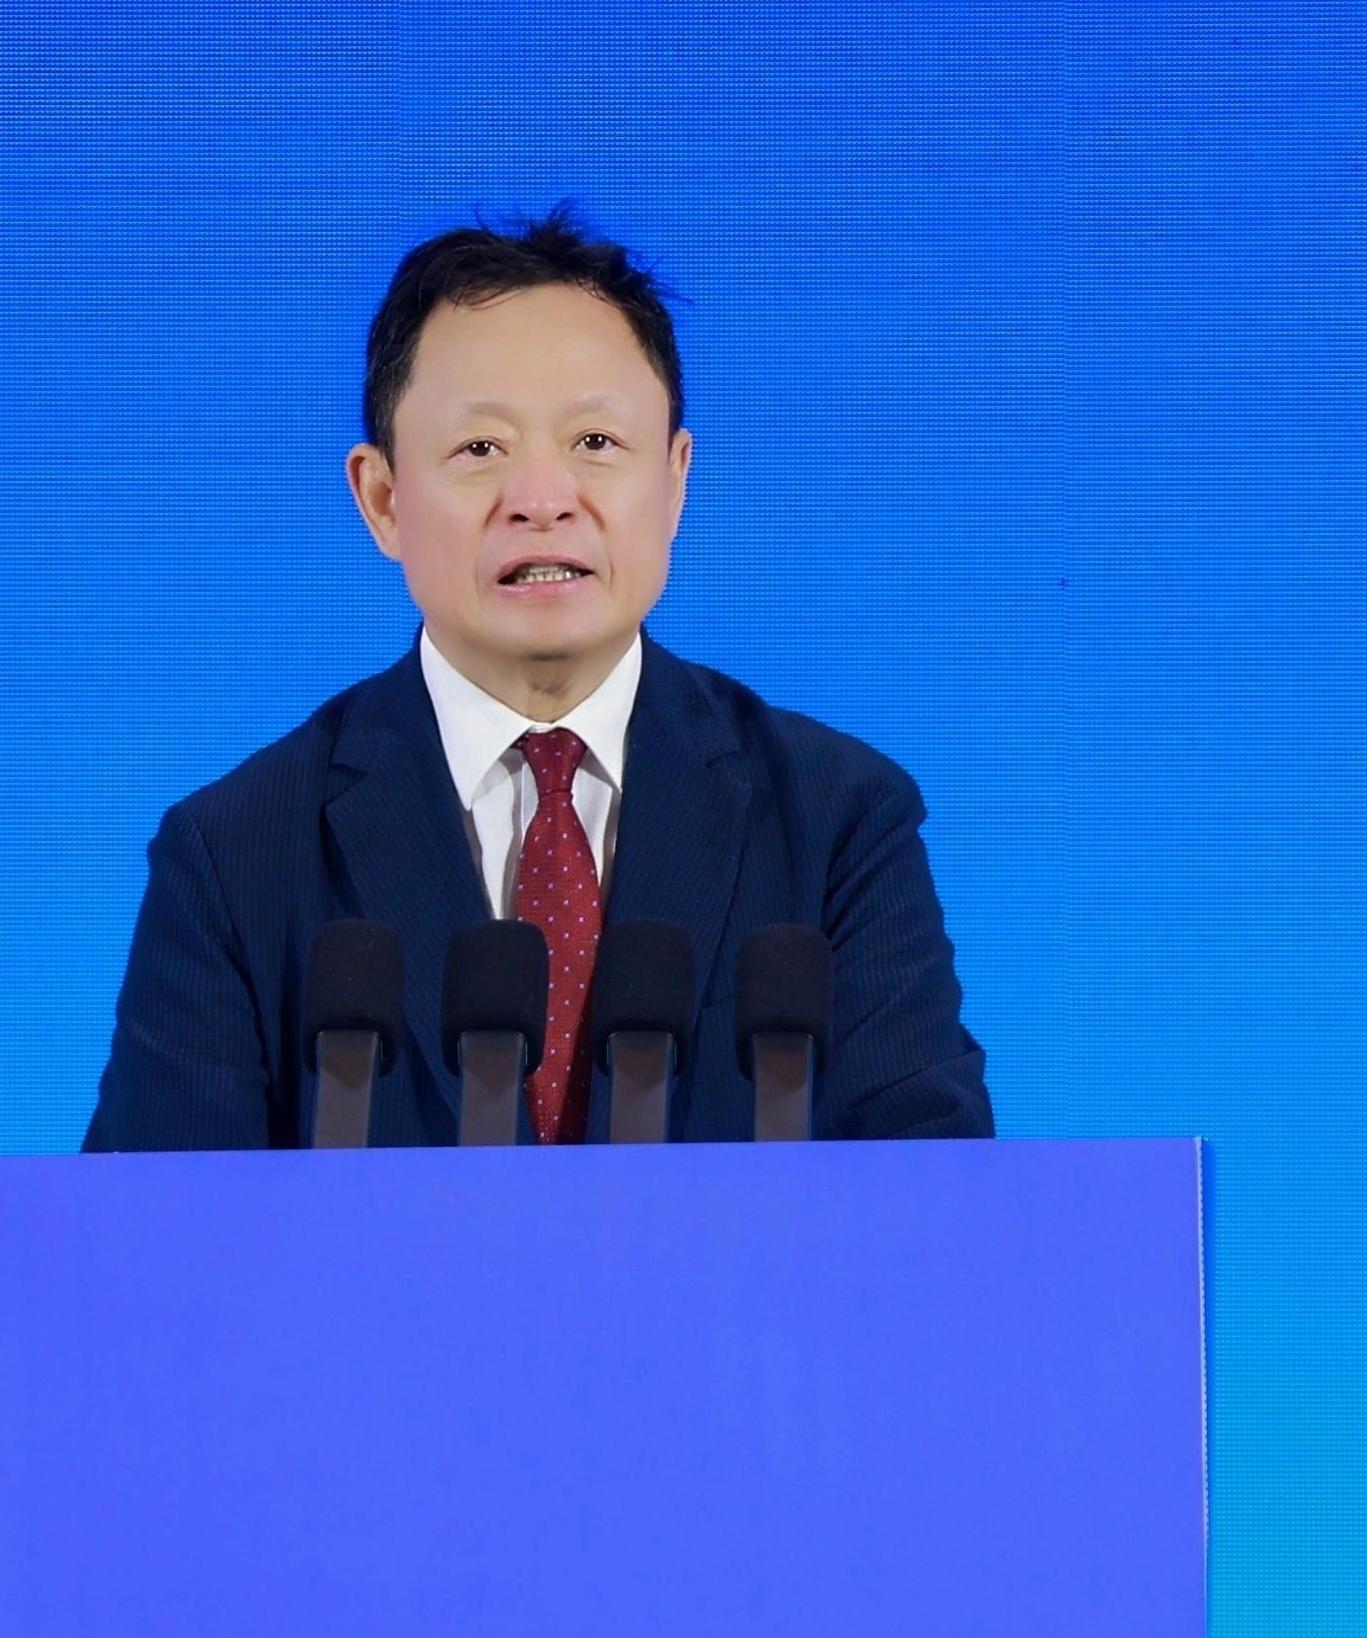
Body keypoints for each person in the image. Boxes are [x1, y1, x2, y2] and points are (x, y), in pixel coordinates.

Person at [82, 203, 992, 1149]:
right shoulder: (235, 855)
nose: (543, 500)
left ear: (675, 480)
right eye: (480, 449)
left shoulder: (838, 820)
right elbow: (152, 1223)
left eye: (595, 443)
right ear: (382, 499)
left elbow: (934, 1193)